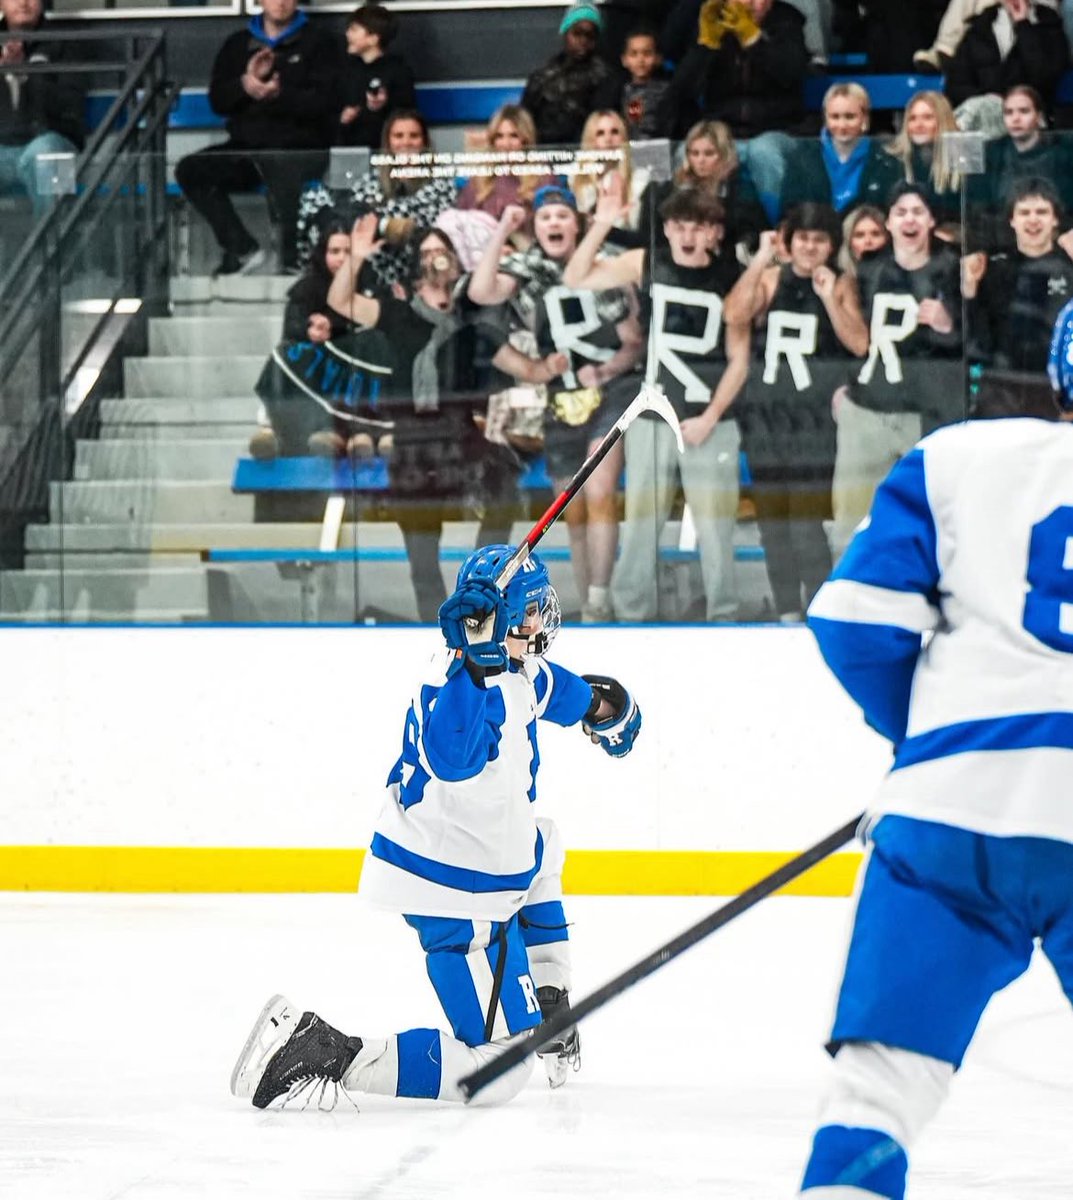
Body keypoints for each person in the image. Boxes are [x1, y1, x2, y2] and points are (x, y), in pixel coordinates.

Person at [794, 343, 1073, 1198]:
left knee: (873, 1094)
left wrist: (921, 739)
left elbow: (850, 622)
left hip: (949, 812)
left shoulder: (959, 455)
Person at [231, 543, 643, 1108]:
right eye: (530, 613)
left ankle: (549, 1000)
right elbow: (452, 755)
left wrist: (599, 707)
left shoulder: (506, 666)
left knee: (544, 845)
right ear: (501, 620)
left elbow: (554, 690)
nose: (541, 623)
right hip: (456, 890)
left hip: (461, 861)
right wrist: (475, 665)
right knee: (499, 1073)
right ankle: (329, 1052)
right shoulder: (467, 686)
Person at [327, 216, 570, 622]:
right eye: (426, 253)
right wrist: (356, 255)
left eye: (442, 252)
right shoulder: (398, 315)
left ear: (457, 263)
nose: (434, 261)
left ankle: (482, 590)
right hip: (413, 442)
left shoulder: (473, 324)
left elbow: (529, 370)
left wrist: (555, 363)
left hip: (460, 440)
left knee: (504, 496)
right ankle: (437, 628)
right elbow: (339, 302)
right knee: (421, 558)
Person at [564, 183, 750, 622]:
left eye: (699, 226)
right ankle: (632, 613)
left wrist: (710, 417)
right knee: (642, 521)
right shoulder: (646, 262)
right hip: (652, 415)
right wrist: (605, 221)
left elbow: (739, 360)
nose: (688, 234)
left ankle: (723, 614)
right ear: (666, 228)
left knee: (715, 526)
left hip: (709, 418)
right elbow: (575, 277)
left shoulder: (728, 279)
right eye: (679, 225)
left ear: (714, 233)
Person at [468, 186, 645, 624]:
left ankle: (602, 595)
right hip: (561, 396)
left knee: (600, 491)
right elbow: (481, 290)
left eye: (562, 216)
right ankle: (587, 602)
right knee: (571, 506)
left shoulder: (602, 265)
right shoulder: (528, 268)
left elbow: (633, 343)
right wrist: (503, 229)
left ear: (576, 224)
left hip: (612, 389)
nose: (553, 224)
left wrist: (603, 372)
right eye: (545, 217)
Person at [724, 206, 868, 622]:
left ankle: (819, 605)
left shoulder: (840, 284)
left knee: (805, 521)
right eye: (802, 238)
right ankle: (786, 605)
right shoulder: (771, 278)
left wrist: (828, 298)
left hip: (813, 420)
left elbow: (860, 343)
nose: (810, 247)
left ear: (830, 246)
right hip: (766, 415)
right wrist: (760, 260)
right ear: (790, 242)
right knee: (772, 521)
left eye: (819, 239)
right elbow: (734, 314)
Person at [829, 183, 963, 559]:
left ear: (932, 220)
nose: (909, 219)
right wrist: (845, 382)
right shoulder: (869, 268)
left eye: (918, 211)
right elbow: (853, 338)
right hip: (867, 409)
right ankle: (848, 604)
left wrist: (948, 325)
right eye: (901, 212)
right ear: (888, 221)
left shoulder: (952, 266)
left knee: (930, 516)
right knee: (851, 519)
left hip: (923, 414)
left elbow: (974, 343)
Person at [173, 0, 341, 276]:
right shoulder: (237, 44)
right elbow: (218, 101)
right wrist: (246, 85)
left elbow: (327, 102)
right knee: (191, 169)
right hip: (246, 148)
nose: (281, 2)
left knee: (280, 163)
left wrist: (279, 95)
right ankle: (244, 250)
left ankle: (291, 261)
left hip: (300, 147)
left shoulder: (320, 42)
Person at [295, 110, 456, 289]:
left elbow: (413, 224)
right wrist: (384, 224)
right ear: (388, 142)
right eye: (398, 136)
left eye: (414, 136)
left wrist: (375, 220)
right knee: (315, 202)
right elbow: (351, 212)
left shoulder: (440, 180)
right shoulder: (373, 178)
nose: (406, 143)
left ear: (424, 141)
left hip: (416, 264)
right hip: (372, 261)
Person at [963, 178, 1073, 373]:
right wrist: (970, 289)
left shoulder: (1068, 266)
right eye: (1024, 212)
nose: (1033, 219)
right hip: (1005, 381)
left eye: (1042, 212)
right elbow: (978, 337)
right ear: (1012, 220)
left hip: (1059, 380)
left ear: (1055, 219)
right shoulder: (991, 268)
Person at [965, 85, 1073, 253]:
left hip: (1057, 245)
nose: (1015, 118)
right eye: (1009, 112)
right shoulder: (989, 154)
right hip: (1001, 245)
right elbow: (978, 209)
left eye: (1023, 111)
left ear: (1038, 116)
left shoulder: (1063, 153)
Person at [0, 0, 85, 214]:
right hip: (3, 151)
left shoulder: (65, 42)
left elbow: (69, 106)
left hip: (57, 144)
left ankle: (53, 246)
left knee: (44, 153)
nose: (23, 2)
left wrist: (25, 74)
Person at [638, 119, 767, 256]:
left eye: (709, 153)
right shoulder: (666, 189)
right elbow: (647, 238)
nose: (701, 160)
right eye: (695, 153)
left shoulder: (739, 190)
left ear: (724, 155)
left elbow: (753, 234)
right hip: (667, 259)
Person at [779, 84, 903, 223]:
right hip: (816, 238)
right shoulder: (801, 157)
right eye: (835, 117)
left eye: (849, 117)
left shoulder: (886, 160)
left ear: (865, 118)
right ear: (825, 119)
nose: (842, 125)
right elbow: (788, 211)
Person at [521, 1, 623, 146]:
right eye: (577, 33)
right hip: (543, 156)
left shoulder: (607, 78)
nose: (583, 41)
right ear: (565, 33)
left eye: (589, 35)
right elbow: (524, 123)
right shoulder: (541, 77)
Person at [944, 0, 1070, 115]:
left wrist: (1023, 25)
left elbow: (1044, 77)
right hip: (984, 117)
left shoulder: (1049, 24)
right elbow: (955, 86)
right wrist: (989, 102)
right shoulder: (980, 26)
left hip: (1031, 118)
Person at [336, 3, 416, 150]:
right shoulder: (346, 69)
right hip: (349, 148)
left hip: (384, 150)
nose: (348, 34)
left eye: (354, 30)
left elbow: (406, 114)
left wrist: (382, 106)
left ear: (373, 38)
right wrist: (342, 118)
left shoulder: (398, 71)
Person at [883, 91, 962, 232]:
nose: (918, 124)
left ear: (943, 120)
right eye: (912, 119)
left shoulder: (962, 162)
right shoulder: (893, 162)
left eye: (927, 117)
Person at [619, 24, 676, 140]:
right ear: (624, 60)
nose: (640, 60)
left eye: (647, 53)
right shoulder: (619, 92)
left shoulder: (667, 92)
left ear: (658, 58)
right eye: (634, 54)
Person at [837, 204, 889, 276]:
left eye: (875, 234)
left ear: (887, 238)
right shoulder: (837, 281)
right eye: (859, 235)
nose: (868, 241)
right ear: (849, 242)